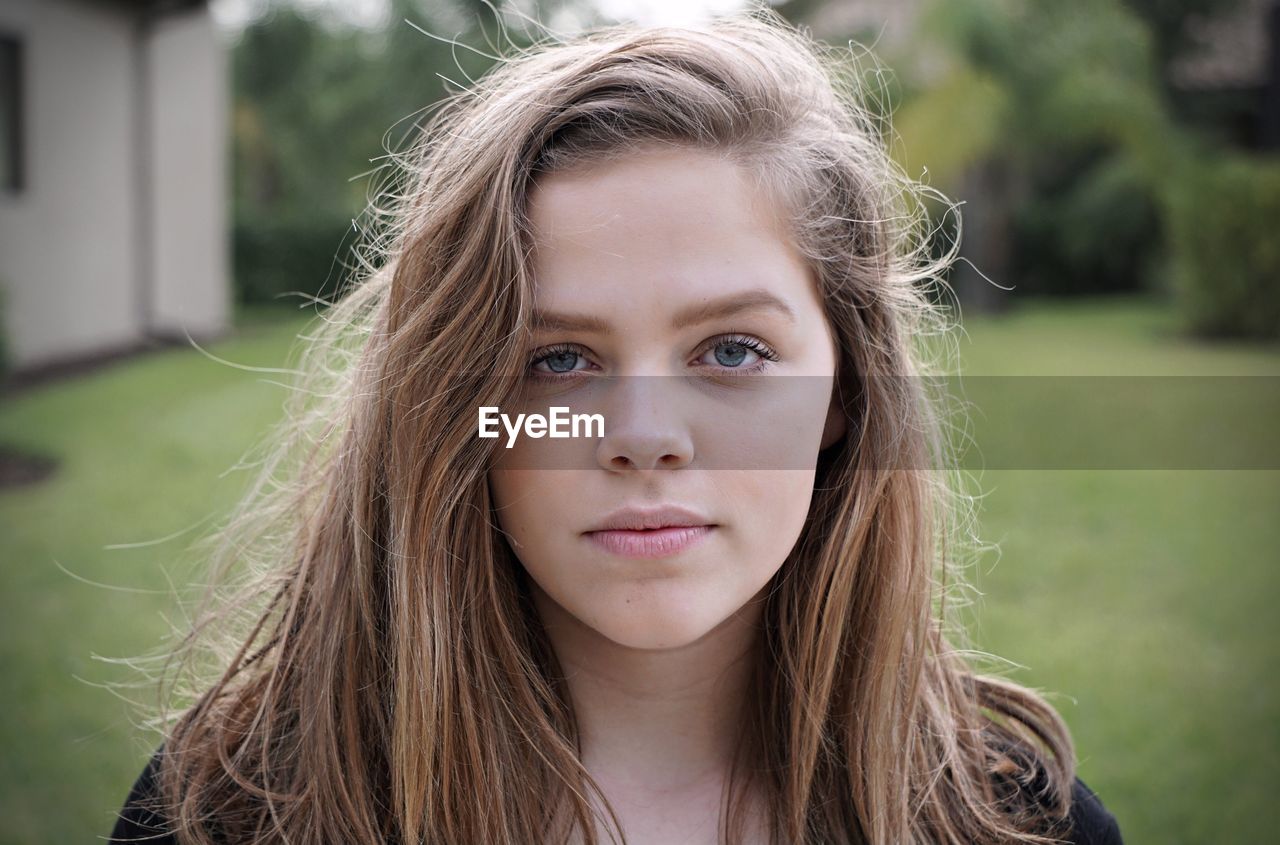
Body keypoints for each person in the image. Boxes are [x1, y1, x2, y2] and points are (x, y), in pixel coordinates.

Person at [109, 9, 1124, 844]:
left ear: (843, 394)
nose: (644, 436)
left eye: (731, 351)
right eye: (555, 360)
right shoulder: (224, 814)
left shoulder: (1017, 823)